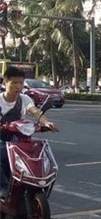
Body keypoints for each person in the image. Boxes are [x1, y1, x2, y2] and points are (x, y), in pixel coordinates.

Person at [0, 67, 58, 199]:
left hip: (18, 138)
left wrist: (46, 123)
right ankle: (3, 187)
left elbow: (35, 112)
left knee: (35, 155)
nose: (18, 86)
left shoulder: (25, 99)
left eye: (21, 83)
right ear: (5, 82)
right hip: (2, 138)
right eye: (14, 83)